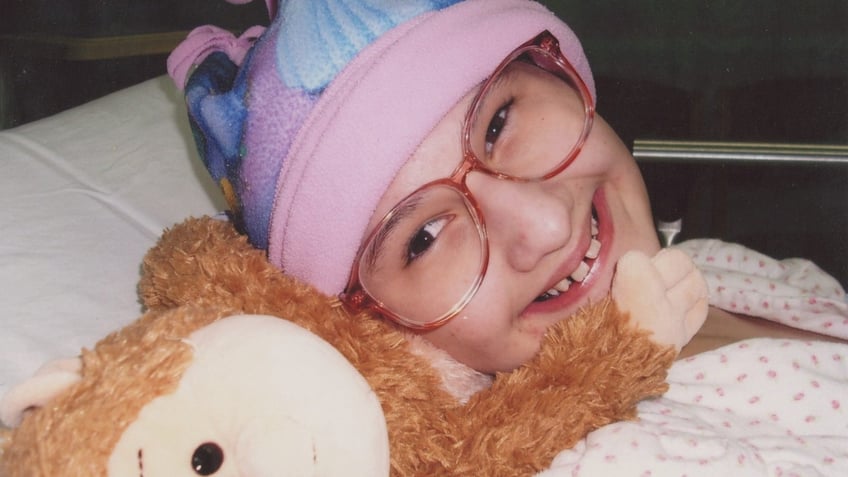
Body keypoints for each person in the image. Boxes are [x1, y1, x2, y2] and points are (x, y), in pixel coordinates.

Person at [168, 0, 845, 376]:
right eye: (424, 238)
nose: (546, 225)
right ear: (375, 325)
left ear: (557, 68)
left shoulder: (721, 264)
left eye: (498, 123)